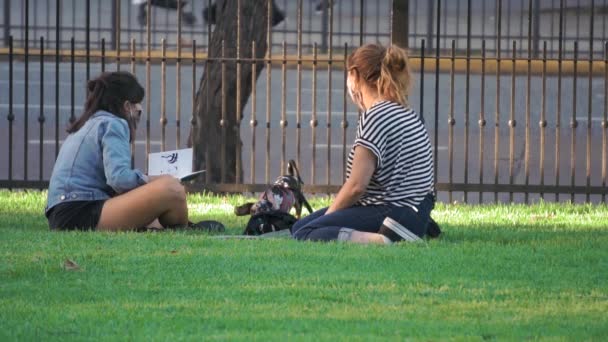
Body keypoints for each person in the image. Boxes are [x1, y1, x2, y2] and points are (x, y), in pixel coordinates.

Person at [291, 44, 440, 244]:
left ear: (354, 76)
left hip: (390, 209)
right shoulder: (404, 111)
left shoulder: (375, 116)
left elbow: (356, 187)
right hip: (413, 210)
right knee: (297, 227)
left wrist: (327, 220)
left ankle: (381, 240)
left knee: (306, 232)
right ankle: (411, 230)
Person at [45, 71, 224, 232]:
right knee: (172, 188)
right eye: (138, 103)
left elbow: (113, 182)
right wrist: (153, 179)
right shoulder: (114, 124)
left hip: (65, 212)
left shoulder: (89, 124)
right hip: (81, 212)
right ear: (127, 106)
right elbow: (119, 179)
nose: (140, 110)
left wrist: (145, 181)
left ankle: (160, 227)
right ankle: (183, 228)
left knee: (156, 195)